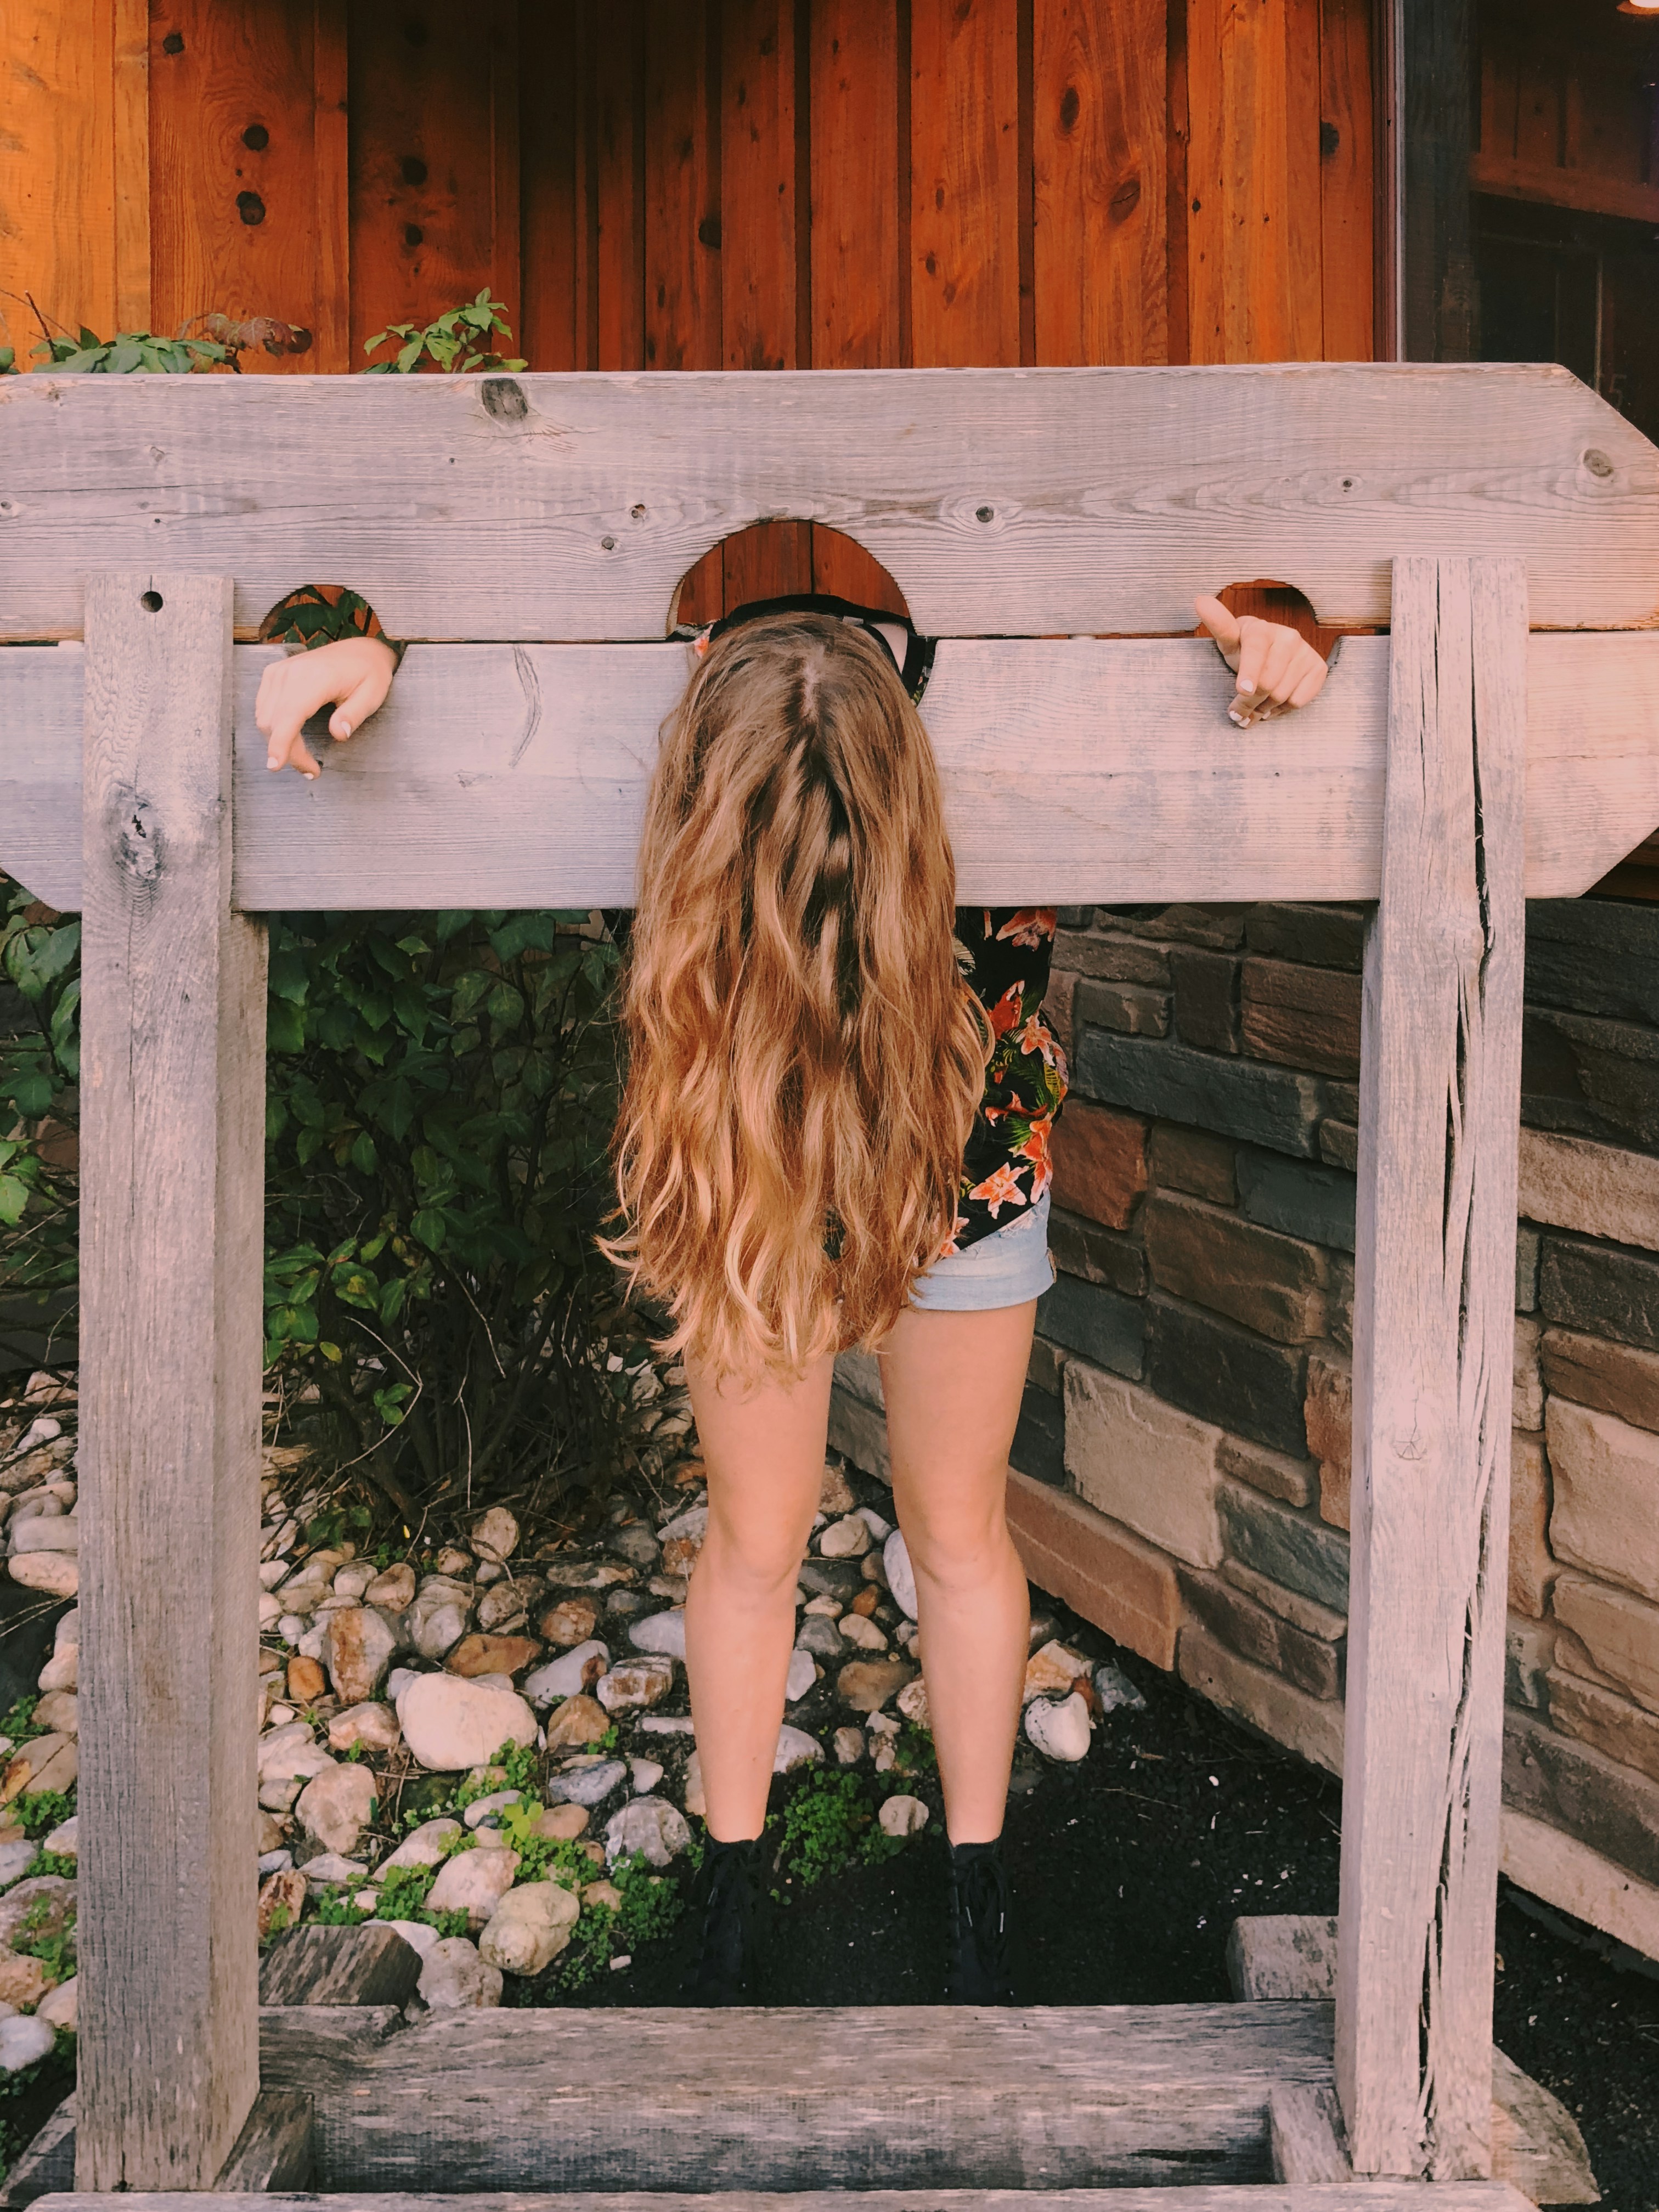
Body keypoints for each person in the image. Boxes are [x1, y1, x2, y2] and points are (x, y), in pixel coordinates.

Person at [253, 575, 1329, 2006]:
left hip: (958, 1166)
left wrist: (1287, 621)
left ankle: (974, 1883)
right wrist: (347, 631)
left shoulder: (983, 766)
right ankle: (736, 1883)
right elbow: (357, 601)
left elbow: (1211, 634)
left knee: (946, 1532)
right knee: (768, 1542)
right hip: (755, 1171)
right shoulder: (687, 796)